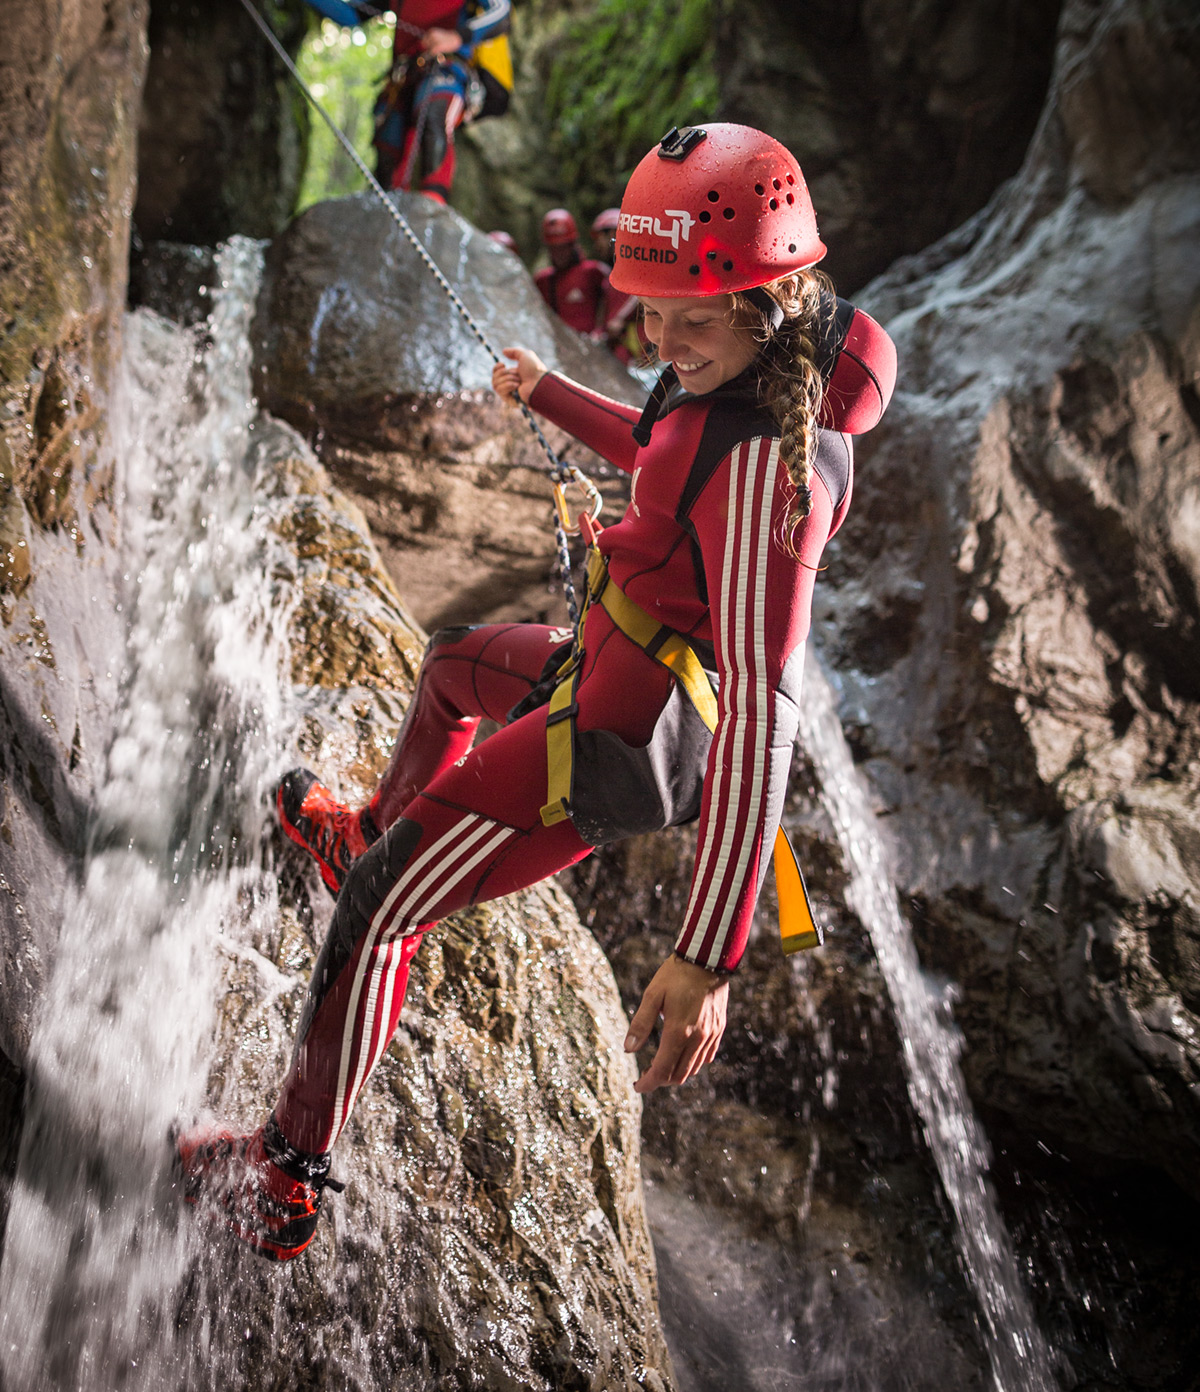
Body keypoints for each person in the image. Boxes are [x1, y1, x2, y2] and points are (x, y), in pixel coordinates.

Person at [176, 122, 897, 1260]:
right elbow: (662, 442)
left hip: (619, 740)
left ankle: (286, 1173)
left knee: (377, 910)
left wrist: (709, 952)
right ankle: (367, 825)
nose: (661, 338)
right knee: (455, 663)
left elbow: (765, 704)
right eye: (649, 312)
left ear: (770, 296)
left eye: (688, 321)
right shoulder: (735, 368)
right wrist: (551, 394)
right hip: (606, 660)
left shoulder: (774, 465)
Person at [264, 0, 511, 203]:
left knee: (435, 116)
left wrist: (457, 36)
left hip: (447, 73)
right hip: (401, 84)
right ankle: (385, 225)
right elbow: (351, 15)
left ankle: (433, 214)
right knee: (387, 156)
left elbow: (502, 12)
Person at [533, 208, 609, 336]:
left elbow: (614, 304)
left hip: (595, 348)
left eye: (563, 247)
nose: (559, 254)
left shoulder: (595, 272)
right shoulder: (543, 281)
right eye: (554, 248)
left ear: (572, 244)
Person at [591, 206, 645, 363]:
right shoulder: (611, 277)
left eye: (599, 238)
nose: (597, 245)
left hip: (636, 354)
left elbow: (639, 295)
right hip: (619, 356)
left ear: (613, 234)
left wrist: (620, 319)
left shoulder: (637, 269)